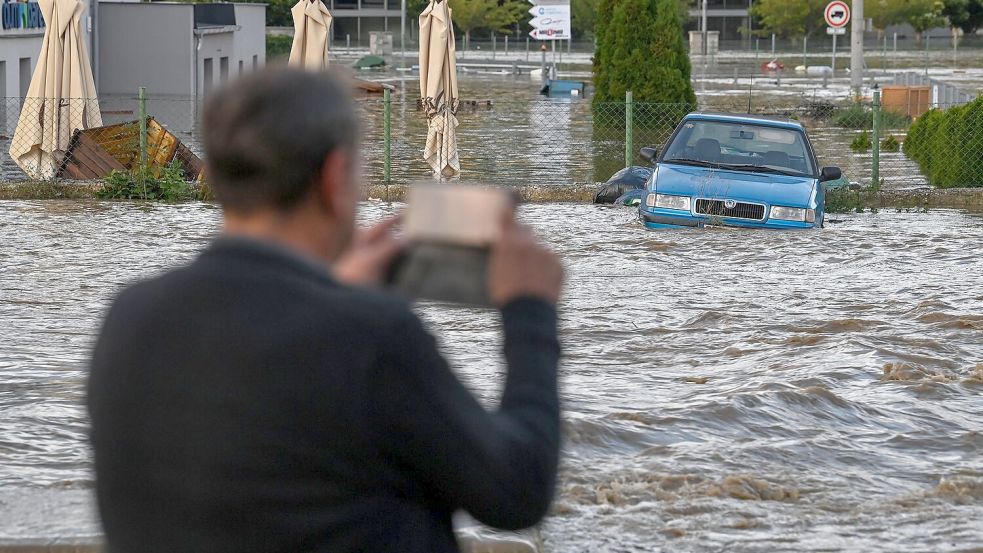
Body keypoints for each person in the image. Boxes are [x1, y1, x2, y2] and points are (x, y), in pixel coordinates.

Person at [87, 68, 564, 553]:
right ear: (335, 177)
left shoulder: (131, 315)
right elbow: (516, 491)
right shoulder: (371, 338)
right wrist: (529, 309)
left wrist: (334, 289)